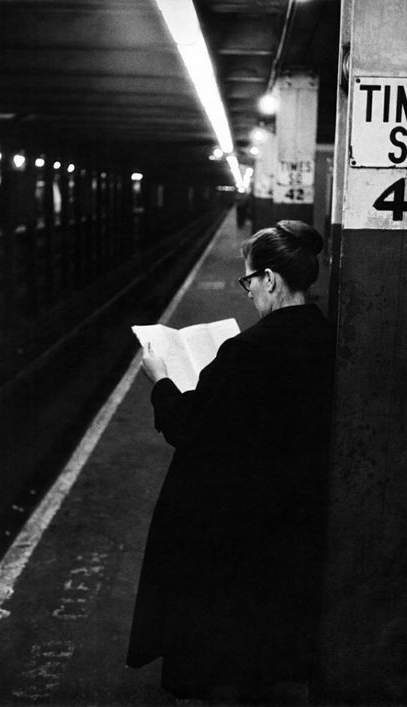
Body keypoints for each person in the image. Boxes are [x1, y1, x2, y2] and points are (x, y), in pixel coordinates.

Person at [126, 220, 334, 704]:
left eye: (248, 281)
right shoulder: (324, 337)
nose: (247, 293)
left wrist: (160, 379)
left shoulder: (248, 350)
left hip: (238, 515)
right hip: (293, 509)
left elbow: (189, 428)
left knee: (219, 633)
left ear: (271, 280)